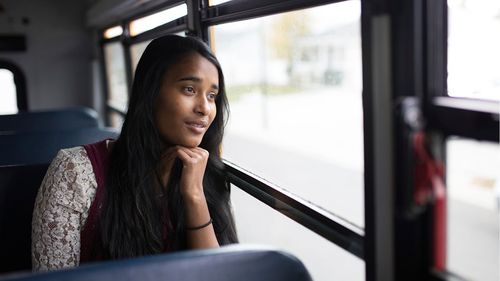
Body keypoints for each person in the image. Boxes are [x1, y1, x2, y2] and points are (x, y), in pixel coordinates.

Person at [31, 35, 238, 271]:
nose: (204, 108)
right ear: (150, 92)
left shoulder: (207, 173)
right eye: (189, 89)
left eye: (212, 96)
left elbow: (217, 274)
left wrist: (194, 196)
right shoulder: (75, 171)